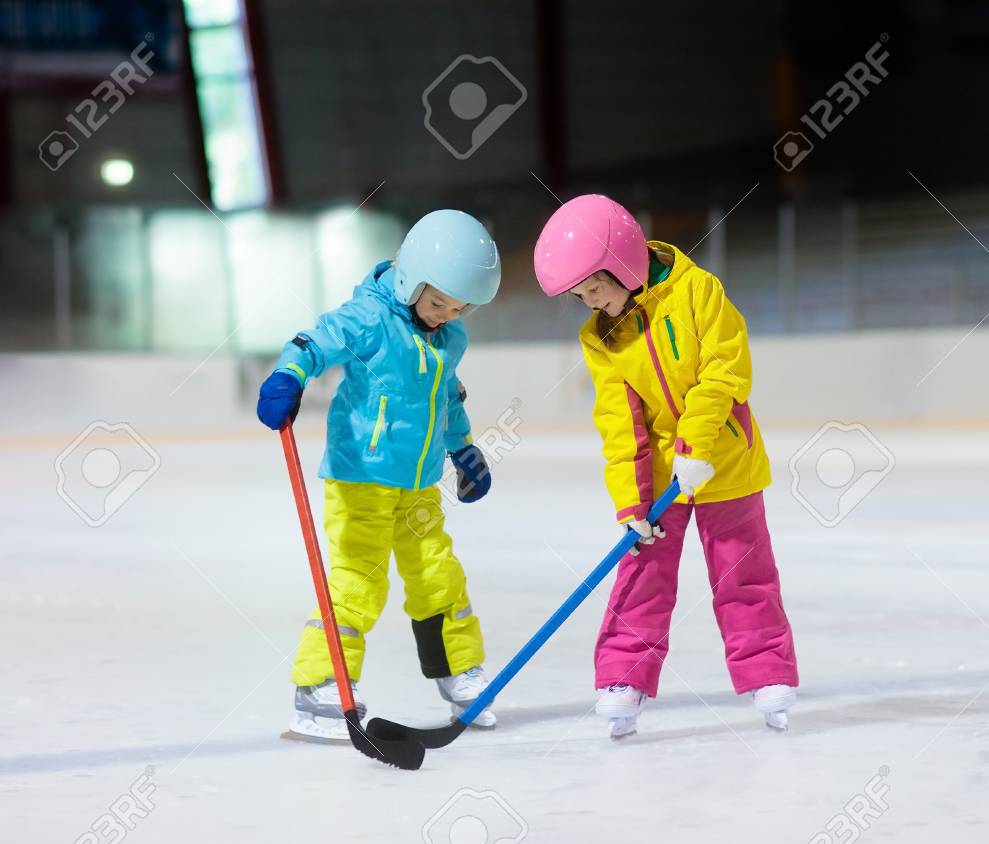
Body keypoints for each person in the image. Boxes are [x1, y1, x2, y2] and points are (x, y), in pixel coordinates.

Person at [533, 194, 799, 736]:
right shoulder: (601, 336)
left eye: (594, 288)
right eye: (581, 296)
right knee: (642, 571)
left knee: (743, 570)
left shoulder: (699, 292)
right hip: (659, 476)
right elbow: (618, 421)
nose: (591, 303)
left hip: (726, 459)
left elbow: (725, 372)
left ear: (623, 261)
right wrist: (631, 502)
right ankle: (622, 676)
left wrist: (696, 448)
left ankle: (767, 673)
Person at [256, 209, 501, 740]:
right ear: (412, 278)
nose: (447, 315)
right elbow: (314, 342)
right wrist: (288, 375)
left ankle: (460, 673)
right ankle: (320, 686)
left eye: (461, 308)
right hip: (361, 475)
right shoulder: (368, 317)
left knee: (438, 575)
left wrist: (462, 449)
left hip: (417, 483)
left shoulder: (447, 338)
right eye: (439, 303)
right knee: (358, 581)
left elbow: (446, 398)